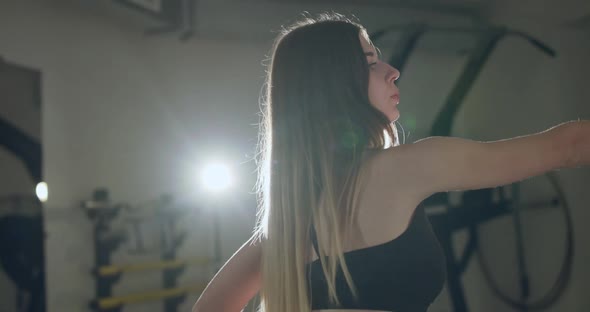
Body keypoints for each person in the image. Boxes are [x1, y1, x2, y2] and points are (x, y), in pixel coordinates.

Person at [192, 12, 588, 312]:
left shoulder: (284, 228)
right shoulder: (409, 166)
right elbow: (570, 146)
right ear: (336, 82)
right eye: (369, 63)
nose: (392, 72)